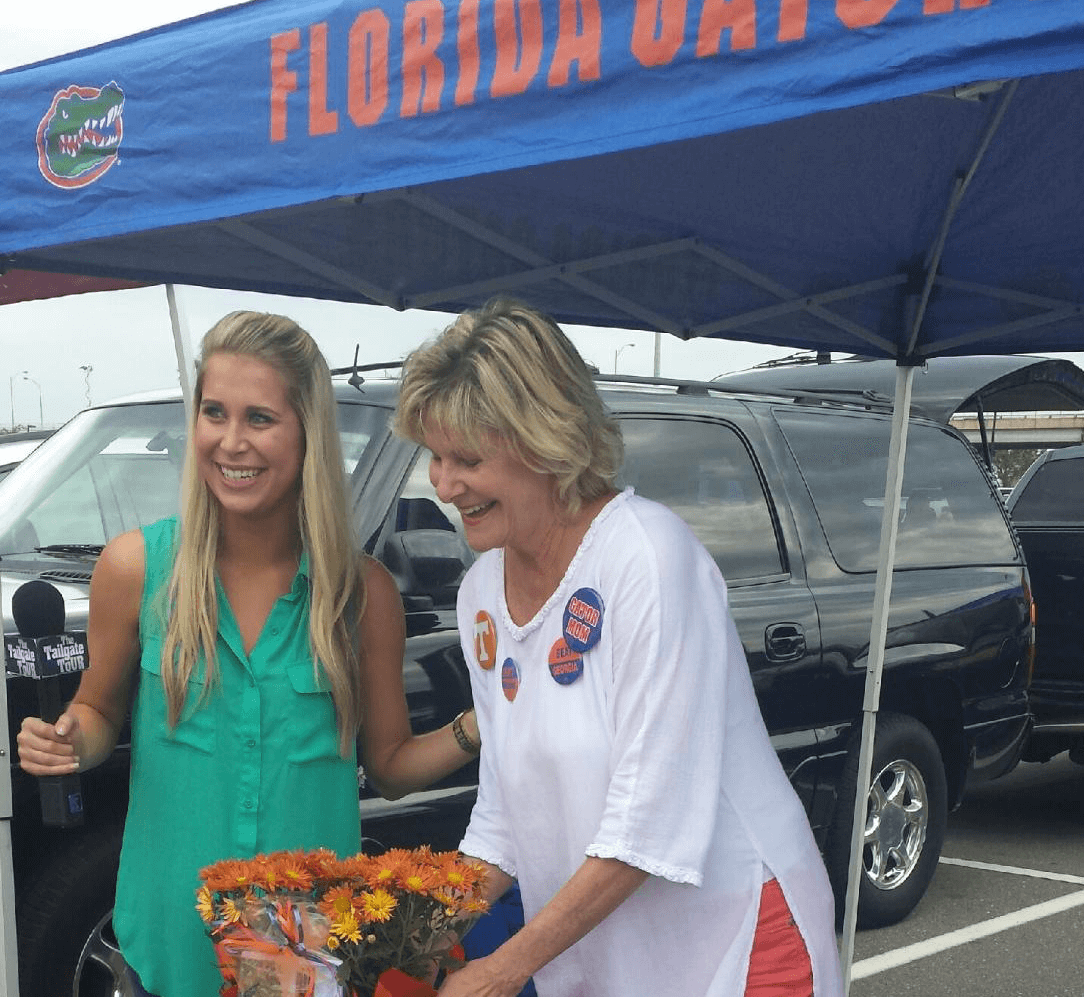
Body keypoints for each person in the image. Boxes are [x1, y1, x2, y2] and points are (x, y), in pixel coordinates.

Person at [16, 311, 483, 997]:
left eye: (259, 417)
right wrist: (68, 740)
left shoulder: (362, 594)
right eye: (214, 413)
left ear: (306, 435)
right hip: (166, 957)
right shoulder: (134, 569)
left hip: (306, 970)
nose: (231, 442)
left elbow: (390, 767)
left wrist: (485, 721)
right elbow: (97, 709)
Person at [393, 299, 845, 997]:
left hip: (737, 941)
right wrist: (420, 937)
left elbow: (648, 825)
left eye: (467, 459)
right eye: (435, 456)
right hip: (608, 950)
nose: (443, 485)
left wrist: (503, 968)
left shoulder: (648, 557)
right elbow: (504, 811)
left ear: (544, 440)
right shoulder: (482, 589)